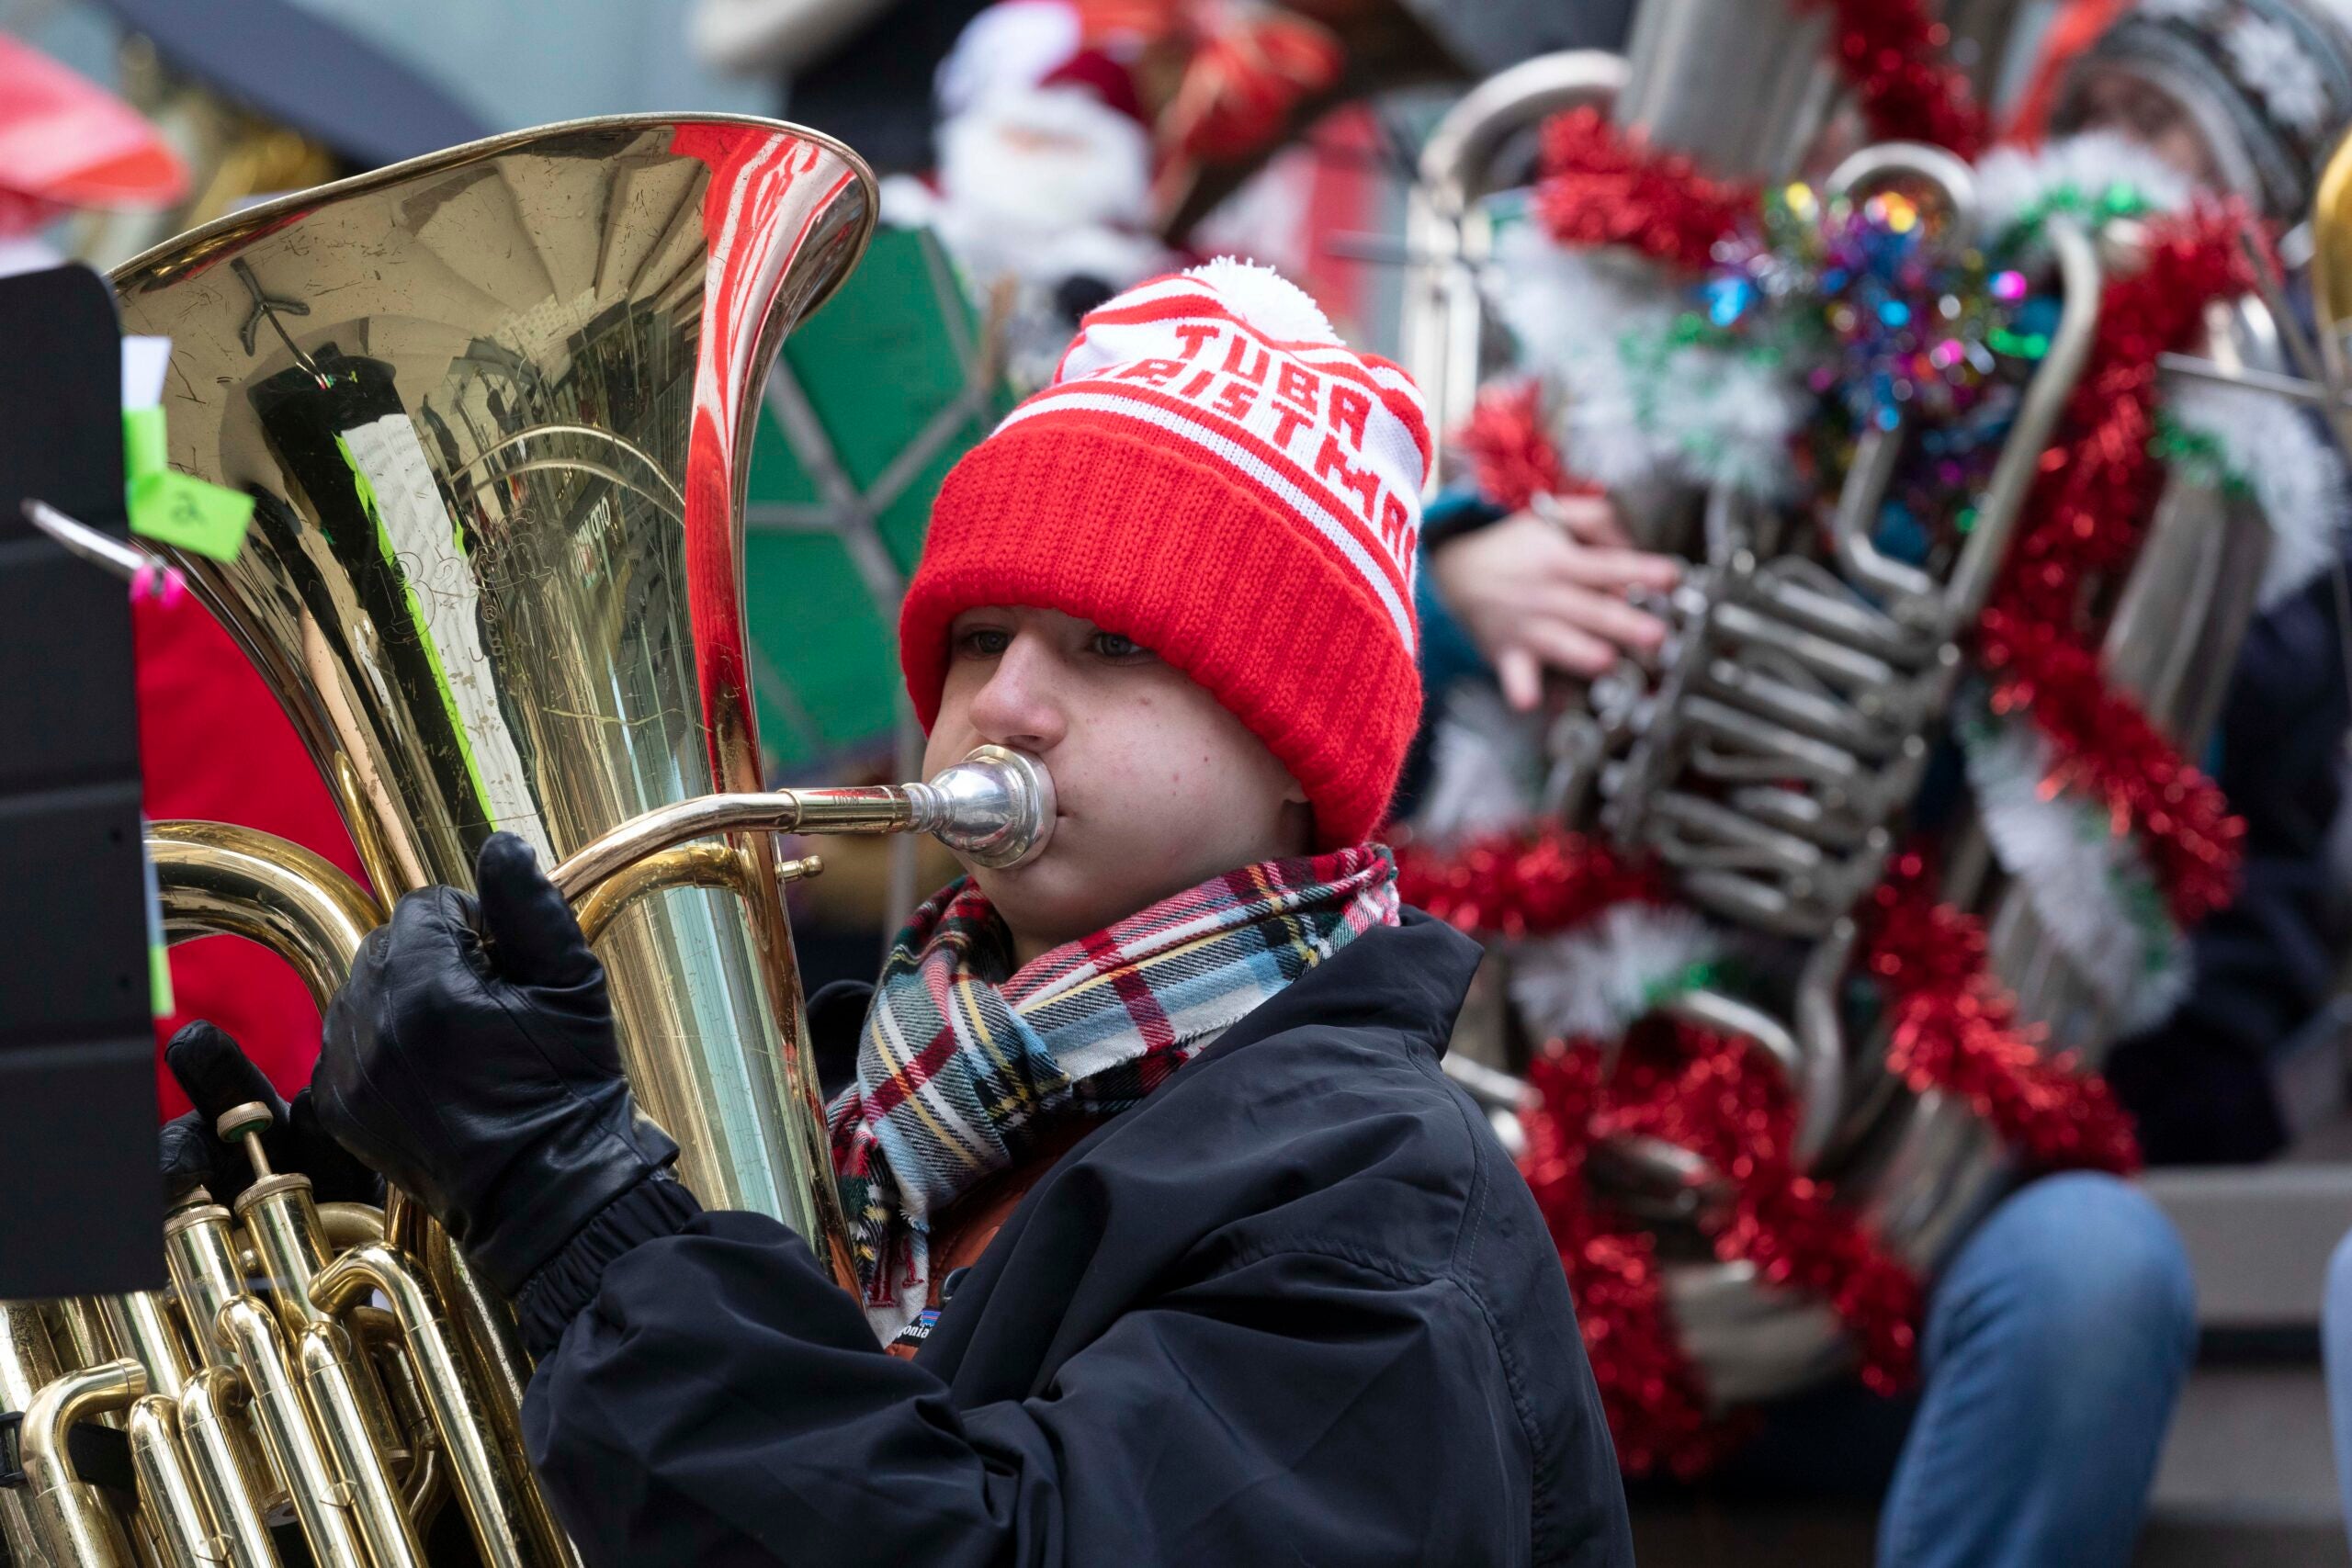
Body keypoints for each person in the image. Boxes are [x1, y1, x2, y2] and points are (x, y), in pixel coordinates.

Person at [157, 259, 1637, 1565]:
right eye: (981, 634)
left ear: (1296, 751)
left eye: (1113, 644)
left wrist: (568, 1208)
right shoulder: (863, 1103)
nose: (1004, 702)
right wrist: (361, 1264)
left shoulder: (1377, 1195)